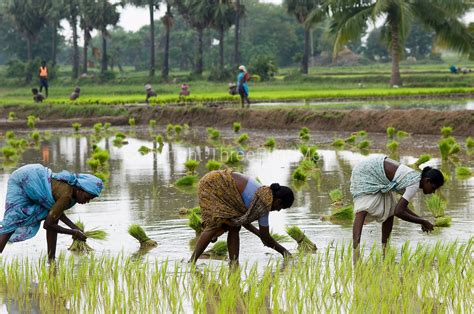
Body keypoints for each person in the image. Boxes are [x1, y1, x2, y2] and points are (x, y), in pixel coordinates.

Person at [350, 155, 444, 262]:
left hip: (377, 174)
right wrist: (422, 221)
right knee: (363, 207)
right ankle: (355, 251)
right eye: (433, 188)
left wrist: (421, 221)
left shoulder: (415, 179)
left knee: (390, 208)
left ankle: (385, 249)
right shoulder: (414, 183)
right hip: (366, 172)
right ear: (427, 181)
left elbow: (399, 208)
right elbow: (399, 212)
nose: (433, 192)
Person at [0, 164, 104, 261]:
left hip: (37, 176)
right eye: (87, 197)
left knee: (53, 217)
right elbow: (48, 225)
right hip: (25, 179)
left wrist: (74, 227)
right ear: (79, 190)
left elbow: (55, 211)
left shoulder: (73, 195)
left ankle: (51, 259)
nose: (87, 201)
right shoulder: (66, 196)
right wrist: (74, 232)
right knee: (13, 220)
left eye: (91, 199)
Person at [189, 169, 294, 265]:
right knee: (214, 226)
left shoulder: (264, 194)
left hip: (221, 184)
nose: (278, 210)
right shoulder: (263, 204)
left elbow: (243, 221)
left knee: (234, 227)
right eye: (280, 208)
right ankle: (192, 261)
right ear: (278, 201)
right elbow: (266, 237)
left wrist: (261, 235)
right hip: (214, 184)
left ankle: (234, 263)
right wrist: (284, 252)